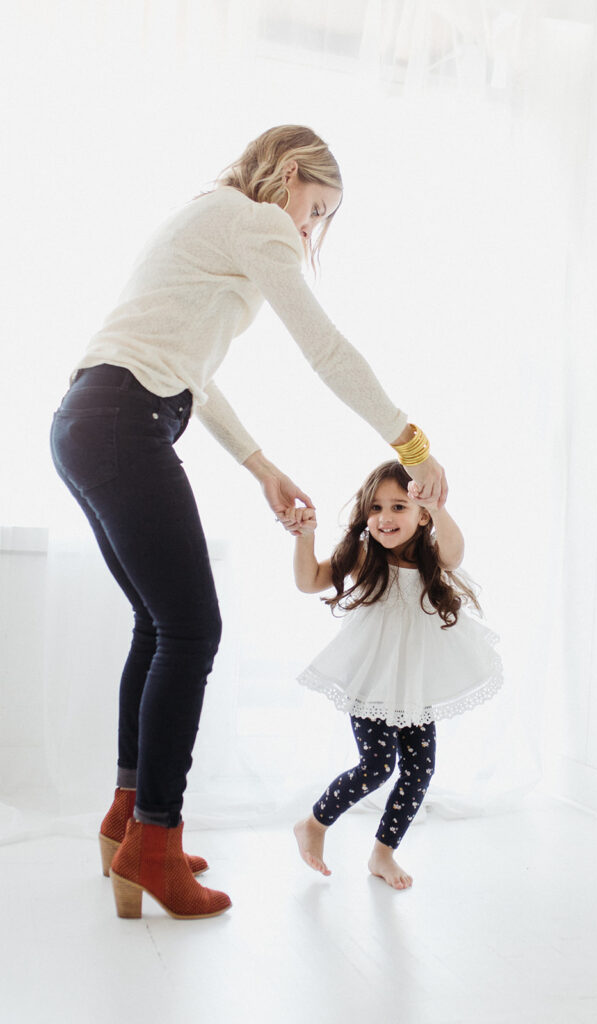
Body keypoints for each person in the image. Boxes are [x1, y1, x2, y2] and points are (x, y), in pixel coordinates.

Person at [49, 125, 448, 920]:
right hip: (126, 417)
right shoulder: (257, 220)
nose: (308, 230)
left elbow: (188, 370)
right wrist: (411, 440)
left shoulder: (209, 215)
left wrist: (261, 467)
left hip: (91, 416)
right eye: (315, 209)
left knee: (157, 627)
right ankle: (155, 847)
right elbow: (325, 350)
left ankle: (129, 821)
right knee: (191, 633)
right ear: (291, 175)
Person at [285, 459, 503, 890]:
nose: (385, 517)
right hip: (371, 681)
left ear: (422, 515)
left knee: (420, 770)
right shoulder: (364, 554)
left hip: (414, 683)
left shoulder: (431, 557)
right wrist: (305, 536)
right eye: (377, 507)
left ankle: (383, 852)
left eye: (399, 506)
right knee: (377, 765)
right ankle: (314, 823)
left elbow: (455, 552)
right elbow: (310, 581)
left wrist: (438, 505)